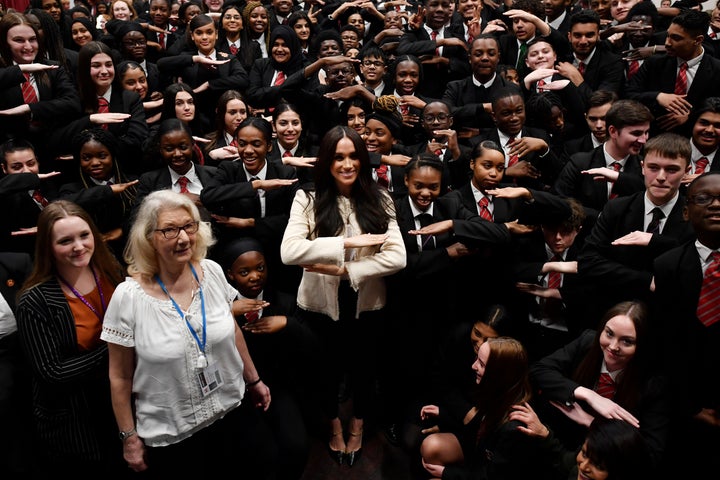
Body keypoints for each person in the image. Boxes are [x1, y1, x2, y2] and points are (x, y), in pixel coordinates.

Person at [280, 126, 406, 467]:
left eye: (353, 156)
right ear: (327, 161)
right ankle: (333, 425)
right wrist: (347, 245)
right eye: (338, 157)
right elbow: (290, 252)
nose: (347, 164)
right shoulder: (307, 198)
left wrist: (349, 270)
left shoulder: (380, 198)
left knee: (365, 371)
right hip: (320, 306)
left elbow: (398, 257)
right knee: (325, 373)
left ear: (363, 160)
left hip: (367, 305)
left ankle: (358, 424)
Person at [16, 200, 127, 477]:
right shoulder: (35, 300)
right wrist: (119, 344)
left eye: (84, 235)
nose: (79, 246)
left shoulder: (112, 271)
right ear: (48, 248)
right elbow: (52, 372)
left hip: (126, 402)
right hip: (78, 418)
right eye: (65, 241)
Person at [529, 300, 670, 470]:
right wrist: (588, 394)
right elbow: (539, 370)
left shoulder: (653, 385)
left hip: (601, 466)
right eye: (609, 334)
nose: (613, 346)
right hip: (554, 445)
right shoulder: (588, 342)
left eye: (627, 341)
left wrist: (592, 422)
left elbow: (650, 454)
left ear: (641, 346)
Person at [220, 236, 313, 480]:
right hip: (236, 392)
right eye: (244, 271)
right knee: (258, 453)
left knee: (297, 445)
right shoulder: (217, 310)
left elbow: (313, 348)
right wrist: (227, 313)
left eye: (260, 268)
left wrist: (287, 324)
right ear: (230, 275)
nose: (254, 276)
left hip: (279, 387)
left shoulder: (285, 302)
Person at [577, 132, 695, 324]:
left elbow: (694, 263)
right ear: (642, 167)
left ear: (687, 171)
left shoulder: (694, 215)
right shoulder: (618, 208)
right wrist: (646, 280)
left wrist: (654, 241)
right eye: (653, 168)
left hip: (669, 319)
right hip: (613, 310)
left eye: (672, 170)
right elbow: (588, 262)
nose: (661, 177)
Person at [652, 171, 720, 477]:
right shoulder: (668, 265)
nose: (716, 206)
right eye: (704, 198)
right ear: (685, 210)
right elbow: (666, 341)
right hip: (686, 403)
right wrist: (689, 406)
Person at [419, 337, 558, 480]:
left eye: (481, 364)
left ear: (498, 374)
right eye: (477, 359)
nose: (473, 366)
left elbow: (492, 476)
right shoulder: (502, 390)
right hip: (482, 452)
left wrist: (446, 473)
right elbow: (480, 425)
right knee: (430, 446)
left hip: (491, 470)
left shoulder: (514, 428)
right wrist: (443, 415)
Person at [200, 116, 301, 294]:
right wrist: (255, 185)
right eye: (242, 144)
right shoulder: (228, 169)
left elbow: (292, 220)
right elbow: (208, 196)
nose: (248, 150)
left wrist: (250, 223)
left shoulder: (285, 172)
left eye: (256, 144)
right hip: (236, 254)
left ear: (269, 146)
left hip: (275, 253)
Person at [51, 40, 149, 177]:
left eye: (109, 65)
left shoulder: (130, 98)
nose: (104, 71)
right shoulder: (72, 100)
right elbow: (56, 139)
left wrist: (86, 154)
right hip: (80, 175)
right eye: (96, 66)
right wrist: (90, 120)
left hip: (123, 171)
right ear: (85, 69)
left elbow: (136, 141)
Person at [0, 11, 81, 176]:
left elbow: (72, 103)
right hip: (11, 162)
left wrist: (31, 108)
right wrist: (20, 70)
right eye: (18, 41)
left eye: (32, 39)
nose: (28, 47)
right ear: (4, 43)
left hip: (50, 154)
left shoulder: (52, 68)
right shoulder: (3, 73)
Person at [553, 98, 649, 230]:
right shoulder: (580, 163)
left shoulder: (646, 167)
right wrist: (600, 217)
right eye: (636, 133)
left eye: (646, 132)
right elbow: (560, 201)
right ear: (613, 131)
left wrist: (619, 178)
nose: (644, 140)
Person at [626, 9, 720, 135]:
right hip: (654, 137)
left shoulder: (717, 69)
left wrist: (692, 116)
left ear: (698, 40)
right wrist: (658, 96)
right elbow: (629, 94)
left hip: (695, 140)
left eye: (676, 38)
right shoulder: (654, 63)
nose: (667, 43)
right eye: (668, 35)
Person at [156, 13, 249, 136]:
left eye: (209, 32)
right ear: (192, 36)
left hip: (223, 122)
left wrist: (209, 84)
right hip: (195, 121)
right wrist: (196, 59)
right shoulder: (187, 58)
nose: (204, 37)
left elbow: (243, 80)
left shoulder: (227, 59)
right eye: (199, 33)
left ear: (216, 34)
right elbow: (161, 64)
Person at [58, 128, 139, 260]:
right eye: (87, 158)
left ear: (112, 156)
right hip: (93, 255)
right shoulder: (71, 190)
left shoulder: (132, 182)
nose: (95, 163)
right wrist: (108, 190)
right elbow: (61, 204)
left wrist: (122, 230)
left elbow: (143, 215)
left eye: (102, 156)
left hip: (133, 250)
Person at [203, 89, 248, 165]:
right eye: (232, 112)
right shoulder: (208, 142)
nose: (239, 117)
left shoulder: (257, 140)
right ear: (221, 114)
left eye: (243, 112)